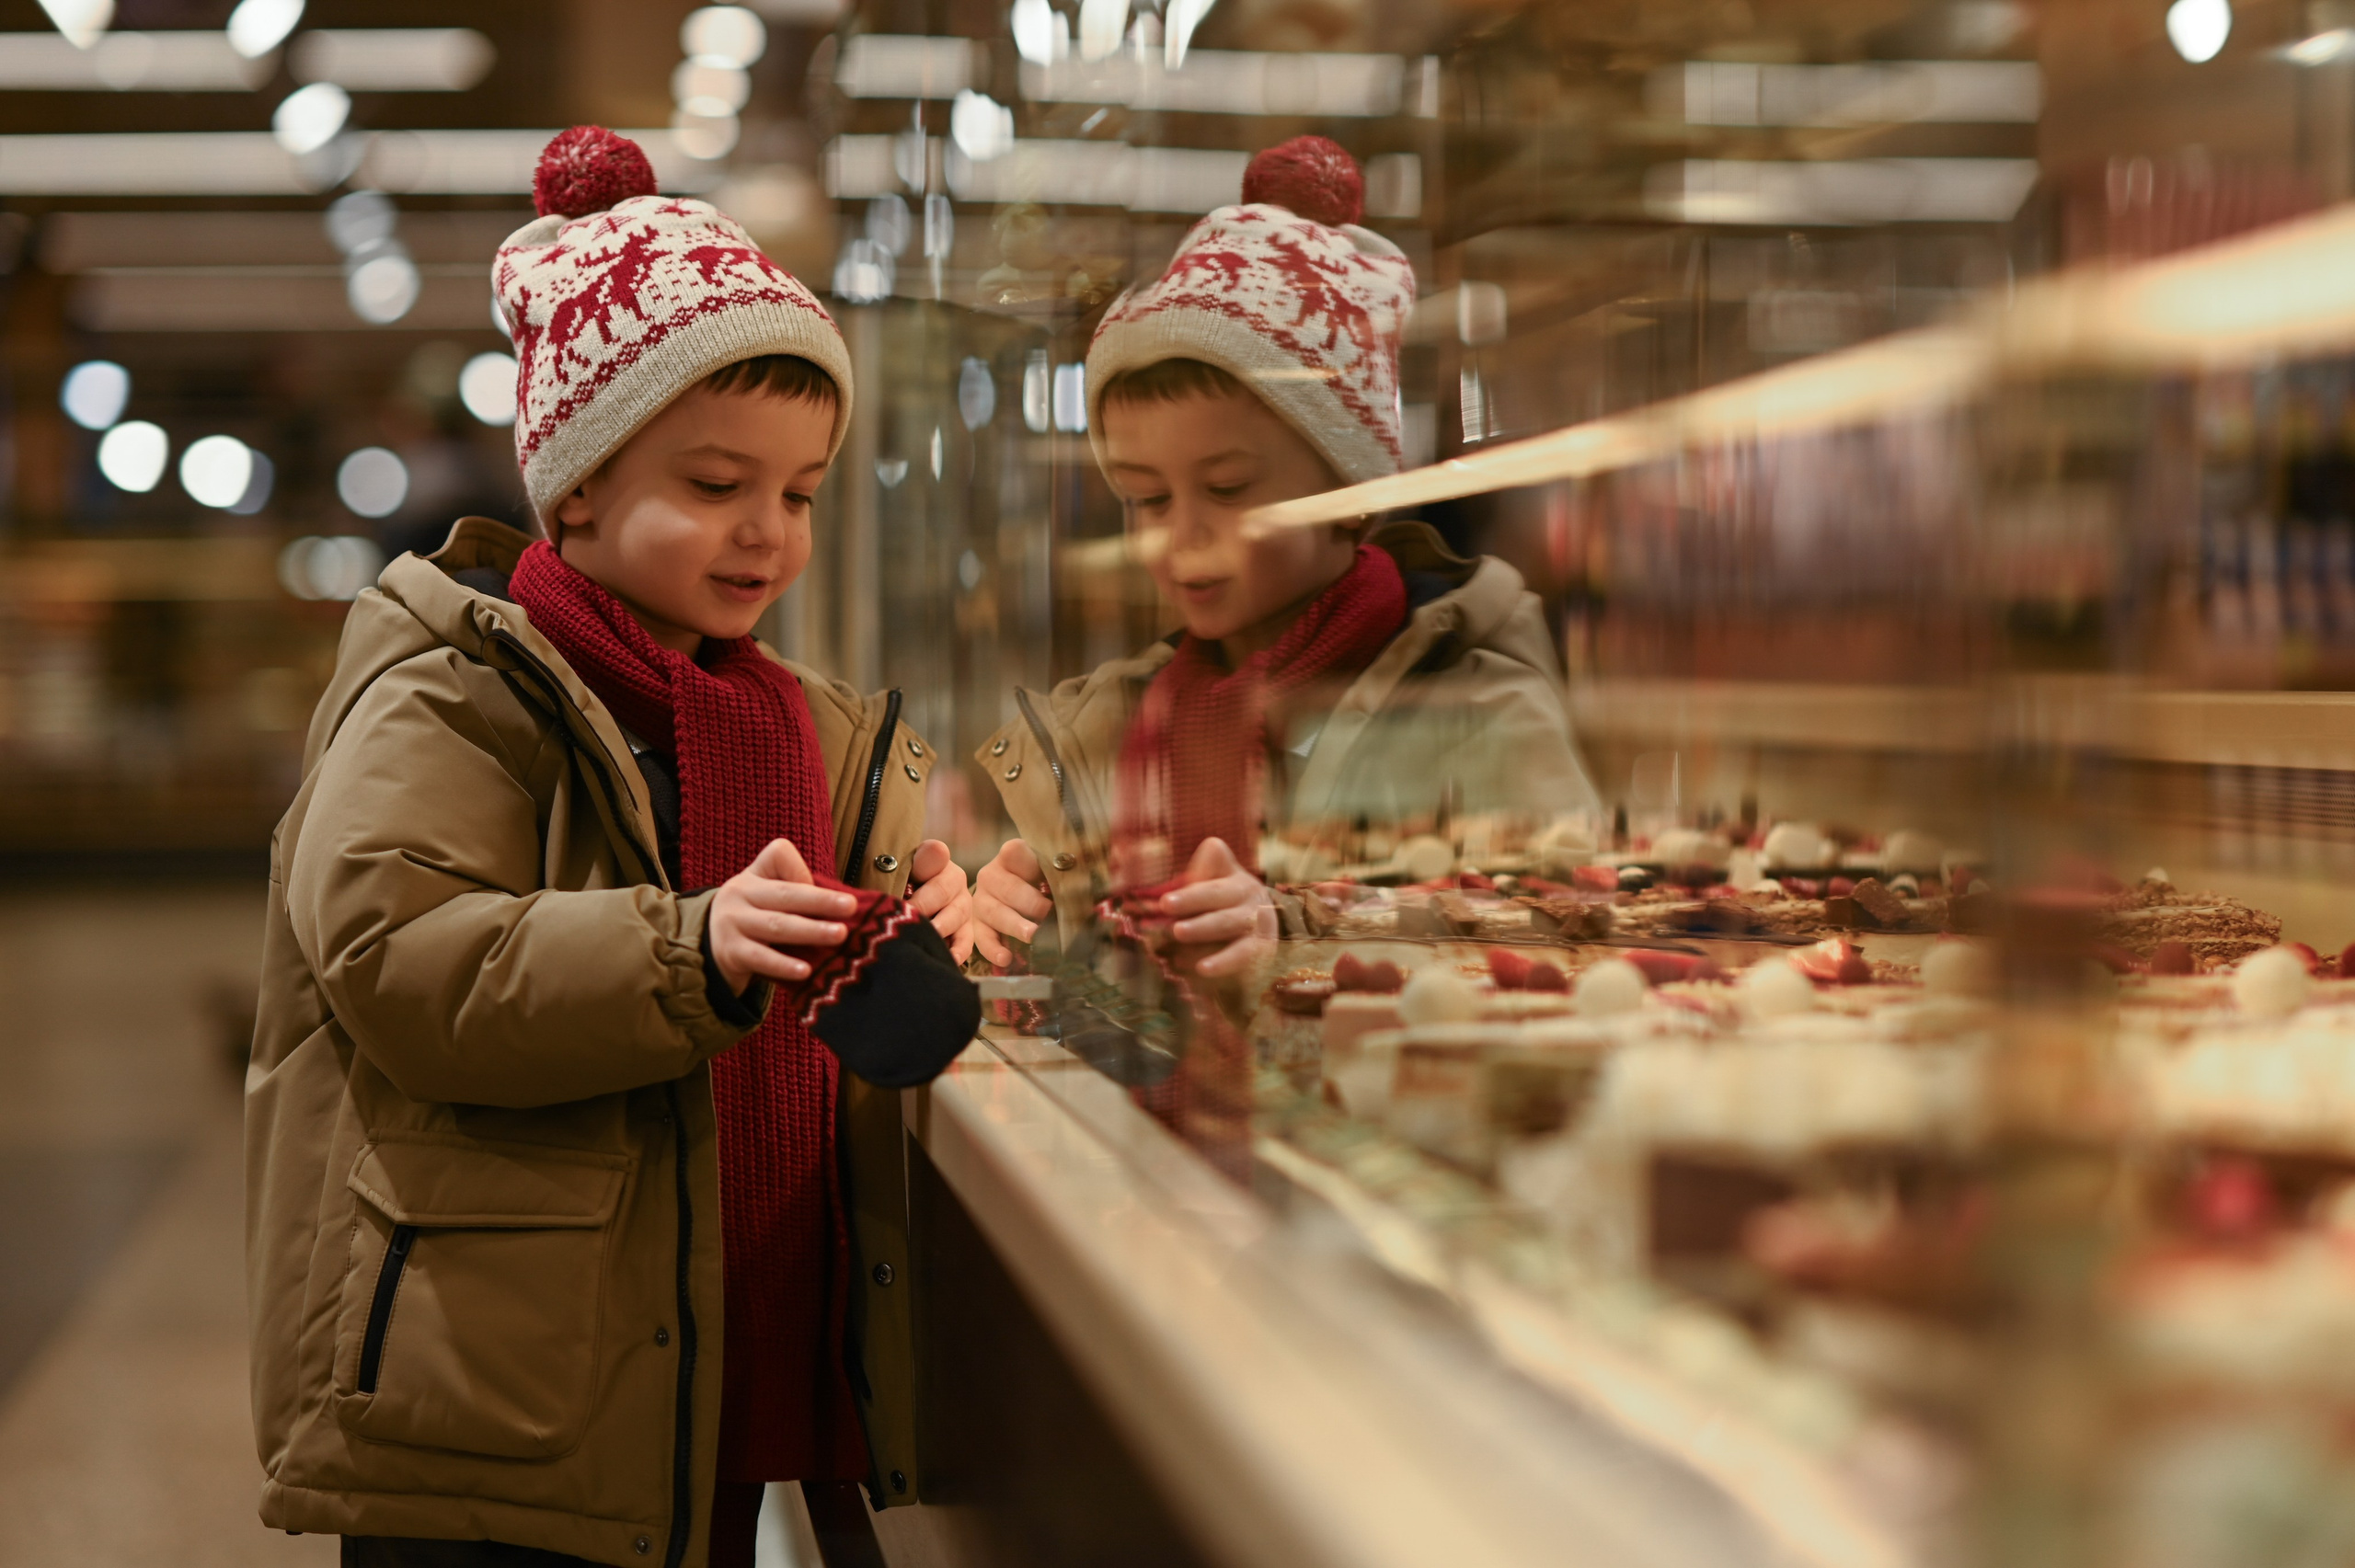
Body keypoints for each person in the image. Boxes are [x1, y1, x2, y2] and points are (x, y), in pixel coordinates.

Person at [245, 128, 978, 1568]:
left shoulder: (801, 725)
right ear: (575, 485)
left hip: (690, 1341)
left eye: (802, 492)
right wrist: (687, 944)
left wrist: (924, 903)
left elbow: (836, 919)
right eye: (716, 485)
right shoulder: (453, 693)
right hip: (498, 1373)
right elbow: (404, 965)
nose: (768, 532)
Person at [971, 136, 1601, 982]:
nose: (1181, 534)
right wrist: (1019, 918)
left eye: (1228, 488)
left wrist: (1300, 934)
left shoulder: (1476, 706)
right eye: (1147, 499)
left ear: (1346, 484)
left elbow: (1571, 930)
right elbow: (1109, 974)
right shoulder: (1121, 724)